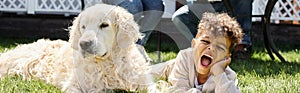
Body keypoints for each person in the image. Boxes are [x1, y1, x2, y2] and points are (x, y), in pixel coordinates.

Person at [150, 13, 243, 92]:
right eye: (206, 42)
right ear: (194, 45)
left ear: (227, 58)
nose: (211, 48)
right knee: (144, 73)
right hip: (172, 68)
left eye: (219, 47)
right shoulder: (184, 58)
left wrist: (219, 73)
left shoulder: (227, 76)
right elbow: (179, 89)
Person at [172, 0, 252, 59]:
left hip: (227, 4)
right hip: (202, 3)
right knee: (179, 18)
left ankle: (240, 48)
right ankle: (201, 48)